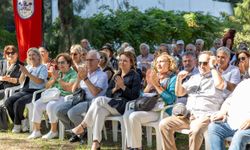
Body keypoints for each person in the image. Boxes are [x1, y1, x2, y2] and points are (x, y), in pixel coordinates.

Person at [70, 51, 141, 150]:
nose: (122, 62)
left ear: (131, 63)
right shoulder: (116, 75)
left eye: (125, 61)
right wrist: (115, 89)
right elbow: (107, 93)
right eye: (120, 60)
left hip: (125, 105)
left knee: (98, 100)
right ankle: (96, 143)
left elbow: (134, 96)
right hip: (112, 104)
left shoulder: (135, 75)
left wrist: (123, 86)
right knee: (99, 111)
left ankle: (83, 125)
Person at [159, 51, 225, 150]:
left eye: (205, 63)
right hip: (188, 116)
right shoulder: (194, 77)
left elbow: (220, 84)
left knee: (195, 130)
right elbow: (179, 93)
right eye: (200, 63)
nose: (202, 66)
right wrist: (179, 79)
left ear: (212, 62)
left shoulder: (216, 77)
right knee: (164, 124)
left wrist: (212, 67)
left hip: (204, 117)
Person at [123, 53, 177, 149]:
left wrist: (157, 85)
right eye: (157, 62)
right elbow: (141, 96)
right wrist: (149, 86)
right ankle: (132, 146)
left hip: (162, 111)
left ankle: (136, 147)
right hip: (148, 107)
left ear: (170, 64)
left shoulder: (173, 78)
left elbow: (170, 100)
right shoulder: (154, 76)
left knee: (134, 116)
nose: (159, 64)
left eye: (162, 61)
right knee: (127, 114)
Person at [56, 50, 108, 143]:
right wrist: (79, 78)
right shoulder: (85, 73)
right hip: (79, 98)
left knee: (72, 113)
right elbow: (73, 90)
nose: (88, 62)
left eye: (91, 60)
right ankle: (77, 133)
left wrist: (85, 78)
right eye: (87, 60)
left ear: (98, 61)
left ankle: (83, 134)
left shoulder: (102, 75)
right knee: (59, 111)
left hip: (92, 102)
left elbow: (95, 92)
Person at [28, 53, 77, 139]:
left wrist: (58, 79)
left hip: (65, 97)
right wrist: (54, 79)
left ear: (68, 63)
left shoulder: (73, 74)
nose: (60, 65)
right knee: (37, 104)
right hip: (52, 96)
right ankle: (36, 131)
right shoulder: (58, 73)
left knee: (51, 105)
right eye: (58, 63)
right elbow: (46, 86)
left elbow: (69, 88)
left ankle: (54, 131)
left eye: (63, 62)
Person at [4, 47, 48, 133]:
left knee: (18, 103)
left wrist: (27, 73)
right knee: (8, 102)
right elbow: (21, 82)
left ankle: (17, 125)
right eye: (29, 55)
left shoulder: (42, 67)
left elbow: (40, 81)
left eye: (33, 55)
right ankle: (23, 121)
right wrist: (23, 73)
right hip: (24, 90)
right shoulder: (28, 66)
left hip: (36, 92)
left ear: (38, 56)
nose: (31, 57)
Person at [208, 78, 250, 150]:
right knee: (214, 128)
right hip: (232, 122)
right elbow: (228, 101)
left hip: (247, 127)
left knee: (239, 136)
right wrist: (223, 111)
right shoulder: (243, 84)